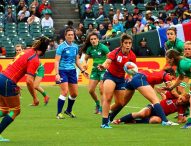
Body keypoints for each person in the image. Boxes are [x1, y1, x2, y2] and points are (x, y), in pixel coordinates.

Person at [0, 36, 50, 141]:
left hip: (2, 78)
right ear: (45, 49)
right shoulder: (35, 59)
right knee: (15, 111)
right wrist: (35, 98)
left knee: (4, 110)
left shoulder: (27, 51)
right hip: (8, 81)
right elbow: (29, 81)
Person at [97, 34, 136, 128]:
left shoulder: (132, 56)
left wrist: (130, 76)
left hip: (121, 79)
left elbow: (132, 69)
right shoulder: (115, 51)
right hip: (110, 76)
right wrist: (103, 66)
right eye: (126, 43)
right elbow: (108, 62)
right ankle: (104, 122)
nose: (128, 45)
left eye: (130, 43)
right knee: (108, 98)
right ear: (122, 43)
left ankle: (106, 112)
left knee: (120, 102)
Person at [109, 68, 176, 122]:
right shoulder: (165, 75)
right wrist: (177, 95)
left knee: (123, 102)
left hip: (134, 78)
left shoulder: (157, 73)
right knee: (155, 101)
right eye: (172, 78)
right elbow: (171, 90)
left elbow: (150, 89)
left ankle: (110, 118)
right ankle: (165, 121)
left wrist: (161, 93)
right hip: (140, 78)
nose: (172, 80)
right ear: (169, 74)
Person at [112, 82, 189, 125]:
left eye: (183, 102)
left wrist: (183, 120)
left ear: (185, 104)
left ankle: (135, 121)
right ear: (179, 96)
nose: (180, 101)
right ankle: (119, 120)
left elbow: (179, 120)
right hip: (153, 108)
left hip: (159, 115)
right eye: (180, 99)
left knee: (156, 120)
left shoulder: (181, 108)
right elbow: (160, 90)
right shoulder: (173, 97)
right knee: (142, 114)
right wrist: (163, 91)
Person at [55, 28, 89, 119]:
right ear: (65, 36)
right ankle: (58, 113)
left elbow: (77, 61)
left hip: (72, 71)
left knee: (74, 94)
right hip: (63, 71)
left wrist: (83, 70)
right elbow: (57, 61)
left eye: (72, 35)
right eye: (69, 35)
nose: (70, 36)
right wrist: (57, 74)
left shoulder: (75, 47)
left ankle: (68, 111)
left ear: (74, 36)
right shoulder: (61, 47)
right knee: (64, 91)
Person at [80, 32, 110, 114]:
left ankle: (101, 108)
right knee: (90, 90)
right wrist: (85, 64)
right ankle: (97, 104)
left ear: (98, 39)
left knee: (101, 89)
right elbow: (85, 59)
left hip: (103, 70)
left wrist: (105, 66)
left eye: (94, 39)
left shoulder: (103, 48)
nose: (93, 41)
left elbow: (110, 58)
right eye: (91, 39)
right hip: (95, 70)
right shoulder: (89, 49)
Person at [165, 44, 191, 128]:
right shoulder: (179, 65)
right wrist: (171, 88)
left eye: (168, 60)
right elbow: (180, 78)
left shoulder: (183, 63)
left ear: (172, 59)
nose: (167, 62)